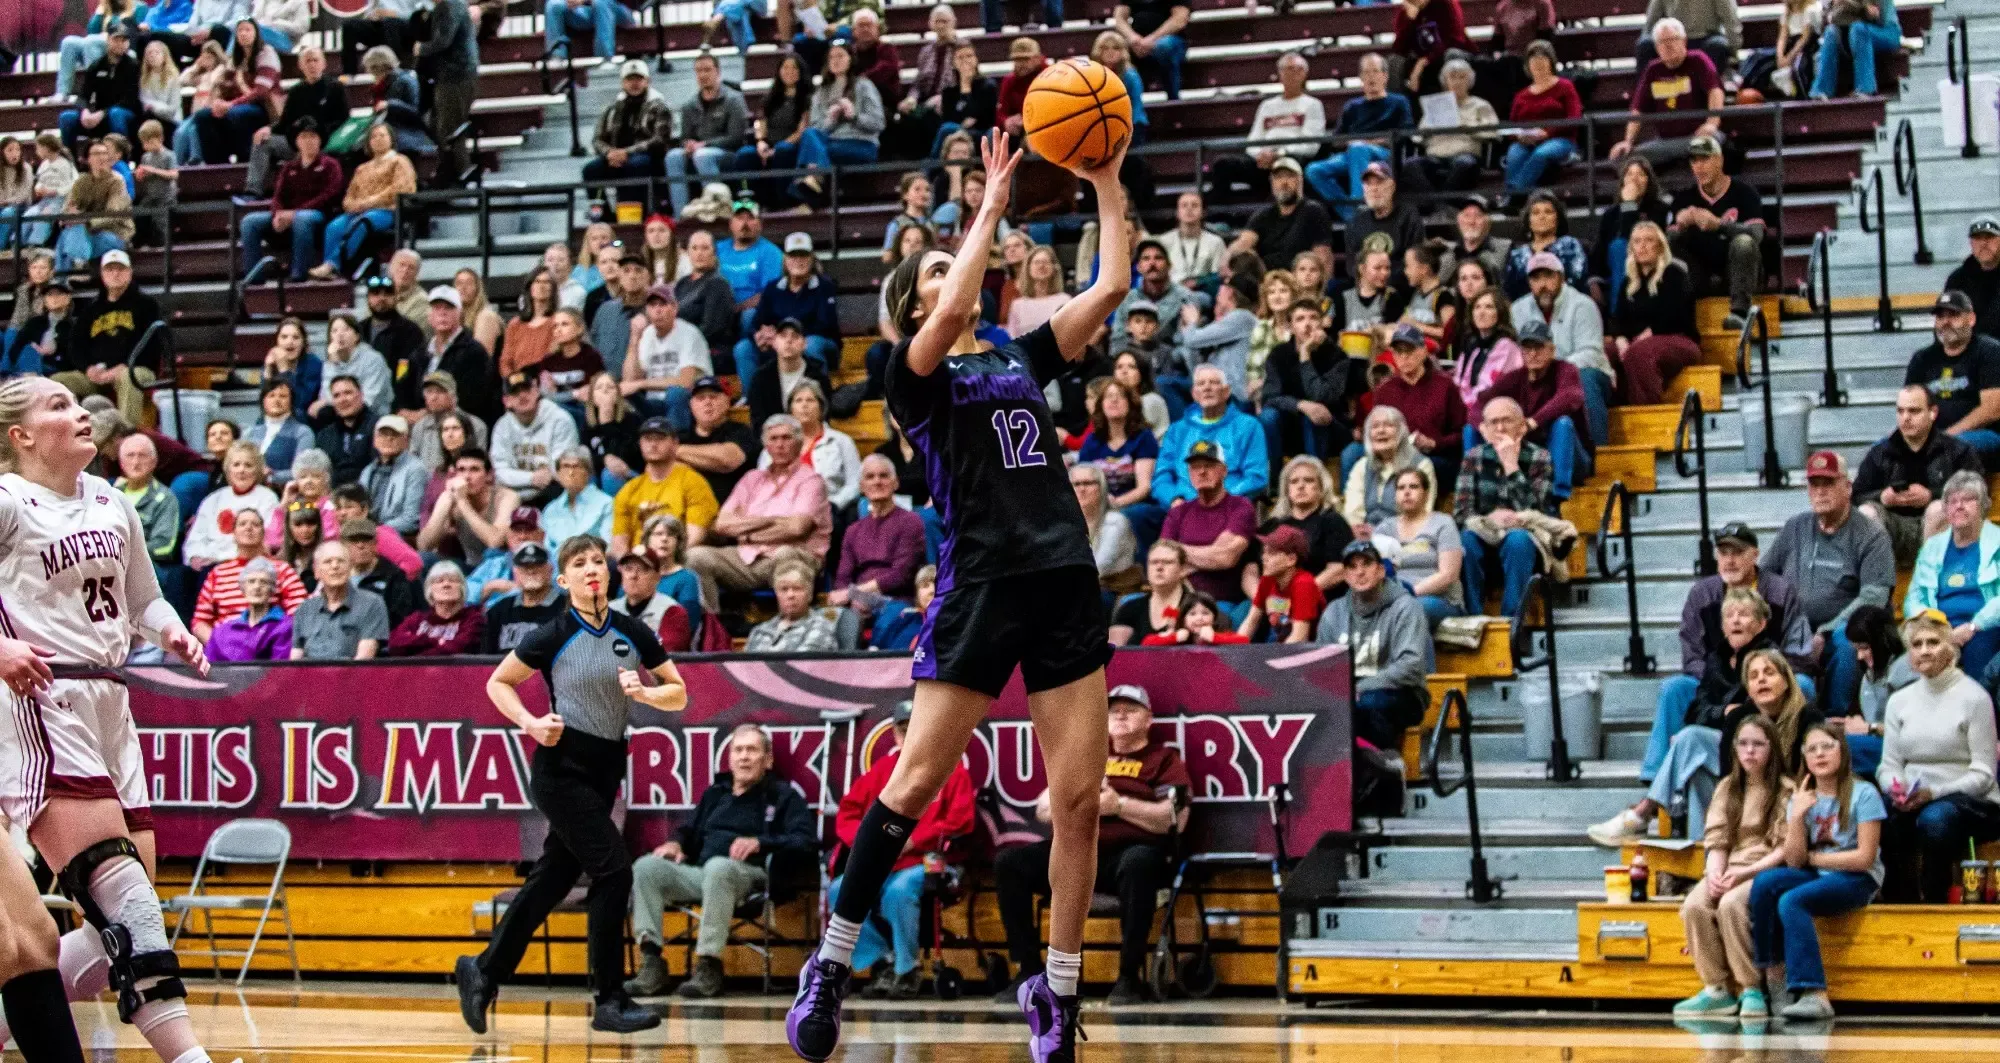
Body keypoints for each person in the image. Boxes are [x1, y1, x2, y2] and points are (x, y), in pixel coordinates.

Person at [787, 129, 1129, 1063]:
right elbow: (947, 311)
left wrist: (1104, 180)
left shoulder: (1018, 356)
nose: (958, 273)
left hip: (1063, 580)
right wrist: (982, 209)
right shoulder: (912, 375)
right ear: (915, 304)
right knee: (913, 782)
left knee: (1081, 801)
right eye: (937, 269)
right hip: (982, 586)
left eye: (958, 262)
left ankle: (1056, 996)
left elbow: (1108, 289)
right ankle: (834, 961)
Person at [0, 377, 249, 1063]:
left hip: (112, 700)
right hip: (43, 696)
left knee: (124, 903)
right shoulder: (8, 501)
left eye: (77, 401)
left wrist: (172, 632)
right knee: (127, 902)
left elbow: (146, 596)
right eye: (57, 405)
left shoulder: (111, 500)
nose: (79, 411)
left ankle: (9, 1020)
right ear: (20, 436)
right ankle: (188, 1056)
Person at [454, 534, 683, 1032]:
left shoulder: (632, 631)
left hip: (606, 767)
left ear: (609, 571)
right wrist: (532, 723)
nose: (591, 569)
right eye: (579, 564)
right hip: (561, 767)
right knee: (614, 870)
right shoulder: (553, 632)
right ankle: (609, 999)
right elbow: (498, 683)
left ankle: (483, 971)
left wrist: (645, 691)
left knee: (555, 877)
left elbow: (679, 694)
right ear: (564, 580)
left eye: (598, 560)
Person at [990, 684, 1187, 1009]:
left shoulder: (1164, 759)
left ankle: (1128, 978)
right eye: (1114, 709)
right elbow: (1042, 810)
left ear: (1149, 719)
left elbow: (1175, 819)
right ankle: (1028, 972)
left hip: (1128, 857)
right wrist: (1086, 802)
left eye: (1131, 709)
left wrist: (1119, 806)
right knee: (1010, 862)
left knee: (1140, 863)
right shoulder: (1086, 755)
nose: (1120, 714)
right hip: (1075, 853)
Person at [624, 722, 813, 1002]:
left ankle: (709, 965)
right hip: (704, 873)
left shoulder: (783, 795)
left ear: (768, 759)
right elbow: (688, 831)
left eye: (752, 750)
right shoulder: (716, 793)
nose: (744, 756)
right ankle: (652, 963)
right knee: (646, 867)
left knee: (719, 867)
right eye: (738, 750)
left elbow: (805, 840)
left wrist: (760, 842)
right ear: (730, 757)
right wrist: (675, 843)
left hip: (752, 876)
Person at [1749, 722, 1884, 1022]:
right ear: (1804, 757)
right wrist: (1796, 818)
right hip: (1818, 872)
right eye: (1812, 749)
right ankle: (1775, 980)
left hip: (1858, 879)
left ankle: (1815, 994)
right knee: (1765, 883)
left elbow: (1864, 858)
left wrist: (1815, 859)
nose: (1820, 754)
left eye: (1827, 746)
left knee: (1792, 900)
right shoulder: (1801, 798)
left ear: (1842, 751)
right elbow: (1796, 862)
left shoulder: (1864, 793)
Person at [1868, 610, 1999, 905]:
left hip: (1971, 801)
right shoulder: (1899, 701)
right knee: (1881, 812)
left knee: (1935, 818)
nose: (1924, 650)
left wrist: (1933, 793)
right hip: (1914, 796)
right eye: (1916, 644)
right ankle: (1899, 901)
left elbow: (1984, 774)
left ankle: (1934, 902)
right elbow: (1888, 765)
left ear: (1950, 647)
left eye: (1933, 642)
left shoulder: (1975, 698)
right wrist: (1896, 788)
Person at [1673, 714, 1794, 1019]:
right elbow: (1717, 839)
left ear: (1772, 749)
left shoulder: (1785, 789)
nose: (1750, 751)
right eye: (1743, 744)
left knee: (1731, 904)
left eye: (1758, 744)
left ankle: (1750, 987)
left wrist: (1742, 874)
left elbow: (1783, 849)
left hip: (1764, 867)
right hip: (1729, 865)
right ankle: (1716, 989)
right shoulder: (1727, 787)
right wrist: (1715, 873)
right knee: (1695, 905)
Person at [1764, 450, 1896, 717]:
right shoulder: (1795, 527)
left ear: (1847, 487)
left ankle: (1835, 718)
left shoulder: (1871, 535)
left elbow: (1874, 596)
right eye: (1815, 484)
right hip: (1795, 628)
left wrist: (1825, 631)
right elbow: (1764, 577)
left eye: (1829, 483)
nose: (1820, 492)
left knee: (1848, 640)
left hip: (1842, 631)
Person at [686, 414, 830, 611]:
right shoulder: (752, 479)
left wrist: (746, 531)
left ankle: (791, 627)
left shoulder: (811, 481)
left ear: (799, 442)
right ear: (766, 445)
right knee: (694, 557)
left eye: (786, 438)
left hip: (794, 556)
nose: (780, 444)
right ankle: (713, 628)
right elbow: (723, 524)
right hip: (747, 557)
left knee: (786, 553)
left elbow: (797, 529)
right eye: (774, 439)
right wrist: (773, 521)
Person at [1317, 540, 1434, 751]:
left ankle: (1384, 772)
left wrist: (1360, 688)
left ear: (1381, 570)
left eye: (1366, 564)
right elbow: (1322, 665)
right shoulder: (1334, 612)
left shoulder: (1406, 607)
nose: (1359, 572)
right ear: (1345, 576)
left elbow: (1410, 665)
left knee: (1369, 704)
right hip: (1350, 693)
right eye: (1352, 567)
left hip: (1403, 693)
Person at [1854, 384, 1982, 563]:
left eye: (1914, 411)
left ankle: (1933, 581)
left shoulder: (1957, 451)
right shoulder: (1880, 453)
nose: (1905, 418)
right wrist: (1882, 497)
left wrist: (1931, 495)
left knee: (1938, 509)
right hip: (1894, 530)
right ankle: (1878, 583)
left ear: (1933, 412)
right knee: (1866, 512)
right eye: (1900, 411)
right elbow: (1855, 496)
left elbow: (1977, 493)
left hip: (1944, 532)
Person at [1454, 397, 1557, 618]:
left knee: (1517, 540)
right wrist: (1490, 520)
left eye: (1507, 421)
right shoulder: (1474, 457)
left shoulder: (1540, 457)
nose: (1500, 428)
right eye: (1493, 422)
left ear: (1522, 426)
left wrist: (1511, 465)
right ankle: (1472, 617)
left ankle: (1513, 621)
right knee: (1466, 540)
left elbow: (1537, 511)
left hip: (1525, 542)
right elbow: (1462, 512)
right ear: (1485, 429)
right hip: (1484, 537)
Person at [1902, 472, 2000, 682]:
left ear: (1983, 505)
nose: (1959, 506)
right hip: (1938, 629)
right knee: (1910, 659)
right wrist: (1935, 626)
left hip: (1984, 627)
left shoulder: (1997, 543)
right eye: (1952, 501)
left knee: (1980, 647)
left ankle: (1980, 711)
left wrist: (1974, 626)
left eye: (1967, 500)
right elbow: (1914, 597)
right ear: (1945, 509)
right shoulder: (1933, 547)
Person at [1510, 252, 1612, 446]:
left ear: (1561, 278)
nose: (1542, 284)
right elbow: (1515, 352)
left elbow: (1590, 352)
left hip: (1586, 373)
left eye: (1548, 276)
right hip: (1538, 374)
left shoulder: (1582, 305)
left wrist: (1555, 369)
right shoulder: (1518, 309)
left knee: (1584, 378)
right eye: (1536, 278)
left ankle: (1600, 451)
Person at [1481, 319, 1590, 499]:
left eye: (1538, 347)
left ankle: (1556, 497)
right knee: (1473, 428)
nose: (1532, 354)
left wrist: (1533, 421)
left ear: (1551, 350)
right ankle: (1480, 487)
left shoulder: (1565, 370)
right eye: (1527, 349)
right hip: (1530, 457)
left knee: (1562, 423)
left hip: (1571, 459)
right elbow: (1481, 401)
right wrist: (1483, 426)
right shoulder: (1515, 377)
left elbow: (1571, 397)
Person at [54, 250, 159, 428]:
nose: (115, 274)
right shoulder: (92, 309)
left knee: (129, 378)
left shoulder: (146, 304)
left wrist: (124, 365)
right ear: (102, 274)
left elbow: (153, 344)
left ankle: (124, 437)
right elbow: (75, 345)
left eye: (120, 269)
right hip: (97, 373)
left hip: (135, 368)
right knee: (57, 382)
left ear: (130, 272)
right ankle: (71, 435)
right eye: (110, 269)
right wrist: (87, 368)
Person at [1358, 325, 1467, 496]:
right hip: (1392, 455)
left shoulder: (1445, 386)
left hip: (1435, 457)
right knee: (1352, 455)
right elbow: (1373, 428)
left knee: (1418, 468)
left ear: (1424, 352)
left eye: (1409, 350)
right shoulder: (1385, 390)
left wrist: (1435, 443)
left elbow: (1461, 433)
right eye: (1398, 352)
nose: (1404, 357)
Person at [1670, 136, 1765, 332]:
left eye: (1705, 159)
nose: (1699, 167)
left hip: (1739, 273)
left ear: (1720, 160)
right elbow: (1664, 244)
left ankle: (1739, 314)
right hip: (1700, 276)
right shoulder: (1684, 198)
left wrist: (1719, 225)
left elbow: (1756, 235)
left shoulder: (1745, 192)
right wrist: (1679, 226)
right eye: (1694, 161)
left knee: (1744, 242)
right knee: (1669, 250)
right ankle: (1680, 322)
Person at [1303, 55, 1412, 220]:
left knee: (1359, 149)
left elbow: (1406, 132)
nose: (1371, 77)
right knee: (1313, 170)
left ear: (1385, 76)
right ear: (1361, 78)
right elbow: (1337, 140)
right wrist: (1353, 144)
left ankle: (1360, 207)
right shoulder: (1352, 106)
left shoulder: (1398, 102)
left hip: (1383, 153)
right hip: (1352, 153)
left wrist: (1366, 143)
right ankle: (1351, 215)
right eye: (1366, 73)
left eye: (1375, 71)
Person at [1206, 53, 1325, 202]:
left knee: (1291, 164)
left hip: (1292, 159)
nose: (1292, 73)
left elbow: (1311, 146)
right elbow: (1252, 142)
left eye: (1298, 69)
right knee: (1222, 164)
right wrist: (1262, 155)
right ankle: (1220, 216)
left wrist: (1279, 153)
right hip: (1264, 161)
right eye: (1288, 69)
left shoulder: (1312, 105)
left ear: (1305, 74)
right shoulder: (1267, 106)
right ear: (1279, 74)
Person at [1611, 18, 1726, 170]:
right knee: (1622, 158)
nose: (1667, 46)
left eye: (1672, 39)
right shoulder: (1653, 69)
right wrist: (1628, 141)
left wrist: (1712, 124)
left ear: (1684, 41)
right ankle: (1658, 193)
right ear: (1656, 47)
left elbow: (1715, 91)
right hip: (1665, 142)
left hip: (1698, 136)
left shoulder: (1698, 60)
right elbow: (1638, 109)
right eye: (1661, 42)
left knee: (1707, 145)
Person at [1609, 220, 1702, 406]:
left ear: (1660, 246)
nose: (1642, 246)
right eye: (1637, 241)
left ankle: (1647, 416)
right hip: (1639, 342)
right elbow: (1617, 317)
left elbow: (1675, 315)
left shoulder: (1674, 273)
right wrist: (1620, 340)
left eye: (1648, 240)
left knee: (1639, 353)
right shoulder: (1630, 280)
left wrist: (1644, 337)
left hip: (1679, 340)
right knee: (1602, 353)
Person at [1159, 440, 1257, 615]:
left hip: (1223, 602)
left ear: (1224, 471)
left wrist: (1180, 552)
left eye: (1209, 465)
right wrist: (1211, 552)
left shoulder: (1240, 507)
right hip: (1181, 600)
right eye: (1195, 467)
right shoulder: (1178, 512)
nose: (1202, 472)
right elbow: (1163, 558)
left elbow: (1225, 557)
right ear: (1189, 474)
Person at [1906, 290, 2000, 467]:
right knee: (1882, 449)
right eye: (1940, 317)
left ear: (1971, 319)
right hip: (1934, 436)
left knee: (1954, 447)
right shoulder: (1922, 359)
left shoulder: (1990, 352)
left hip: (1984, 434)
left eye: (1953, 315)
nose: (1945, 322)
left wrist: (1948, 435)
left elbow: (1993, 409)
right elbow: (1909, 406)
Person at [788, 41, 886, 207]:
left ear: (850, 59)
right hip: (829, 144)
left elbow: (878, 123)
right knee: (809, 134)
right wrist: (831, 120)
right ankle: (816, 179)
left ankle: (809, 185)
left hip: (860, 144)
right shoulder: (821, 92)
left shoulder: (864, 85)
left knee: (811, 150)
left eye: (840, 56)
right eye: (831, 57)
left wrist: (854, 115)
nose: (835, 60)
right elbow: (817, 128)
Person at [1154, 365, 1269, 505]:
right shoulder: (1177, 430)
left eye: (1214, 383)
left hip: (1228, 506)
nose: (1207, 388)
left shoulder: (1248, 426)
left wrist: (1217, 500)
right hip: (1181, 507)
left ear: (1226, 392)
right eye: (1201, 384)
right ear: (1194, 394)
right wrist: (1173, 499)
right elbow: (1161, 476)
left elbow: (1255, 477)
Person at [610, 417, 720, 558]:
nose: (653, 444)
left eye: (660, 439)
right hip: (638, 563)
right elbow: (619, 543)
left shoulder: (693, 482)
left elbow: (695, 536)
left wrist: (663, 562)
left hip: (677, 559)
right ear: (640, 444)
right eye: (648, 439)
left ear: (675, 444)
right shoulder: (628, 490)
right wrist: (631, 566)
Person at [833, 454, 926, 612]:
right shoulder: (853, 530)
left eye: (884, 476)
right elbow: (843, 578)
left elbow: (901, 575)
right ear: (862, 486)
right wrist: (847, 594)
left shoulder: (911, 522)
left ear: (895, 483)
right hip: (857, 600)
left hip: (896, 601)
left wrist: (854, 592)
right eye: (870, 477)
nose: (877, 481)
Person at [1589, 156, 1675, 311]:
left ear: (1649, 181)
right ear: (1622, 182)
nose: (1634, 179)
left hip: (1651, 265)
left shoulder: (1660, 209)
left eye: (1641, 174)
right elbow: (1599, 249)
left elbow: (1637, 242)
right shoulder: (1611, 213)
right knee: (1616, 248)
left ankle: (1619, 315)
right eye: (1629, 174)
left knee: (1620, 246)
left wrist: (1629, 205)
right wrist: (1593, 280)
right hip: (1615, 269)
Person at [1501, 41, 1582, 199]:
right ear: (1528, 66)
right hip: (1527, 141)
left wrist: (1546, 133)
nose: (1538, 66)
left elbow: (1574, 118)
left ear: (1551, 62)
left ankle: (1514, 195)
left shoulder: (1565, 87)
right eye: (1534, 62)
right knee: (1514, 153)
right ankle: (1515, 195)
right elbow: (1513, 125)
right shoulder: (1521, 95)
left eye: (1542, 61)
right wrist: (1519, 136)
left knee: (1541, 154)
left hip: (1560, 139)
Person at [1404, 59, 1494, 196]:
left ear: (1469, 81)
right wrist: (1429, 129)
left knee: (1464, 163)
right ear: (1445, 81)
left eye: (1462, 77)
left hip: (1465, 154)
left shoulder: (1480, 105)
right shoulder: (1435, 105)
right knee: (1411, 164)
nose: (1457, 82)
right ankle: (1437, 203)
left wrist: (1466, 127)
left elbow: (1493, 133)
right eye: (1452, 77)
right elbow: (1417, 138)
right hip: (1435, 156)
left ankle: (1440, 204)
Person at [418, 448, 521, 567]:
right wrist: (446, 503)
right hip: (470, 567)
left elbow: (495, 542)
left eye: (474, 470)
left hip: (500, 566)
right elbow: (424, 546)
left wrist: (462, 501)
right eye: (461, 470)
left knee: (493, 554)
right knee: (424, 559)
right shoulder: (451, 497)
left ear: (488, 476)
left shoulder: (507, 497)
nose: (467, 476)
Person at [1344, 405, 1437, 537]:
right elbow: (1353, 512)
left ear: (1401, 432)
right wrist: (1357, 531)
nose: (1381, 431)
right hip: (1364, 539)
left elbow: (1422, 514)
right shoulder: (1362, 466)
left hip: (1404, 537)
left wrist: (1380, 534)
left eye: (1388, 425)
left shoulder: (1421, 465)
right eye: (1375, 426)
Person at [184, 441, 279, 570]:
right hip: (210, 563)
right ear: (228, 469)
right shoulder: (213, 499)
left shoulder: (267, 498)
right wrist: (195, 557)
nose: (241, 470)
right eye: (236, 465)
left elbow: (266, 540)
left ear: (257, 470)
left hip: (249, 563)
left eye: (248, 465)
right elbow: (196, 538)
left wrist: (229, 558)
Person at [584, 61, 672, 199]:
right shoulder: (612, 108)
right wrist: (609, 153)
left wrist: (626, 152)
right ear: (623, 83)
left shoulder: (660, 107)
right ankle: (603, 216)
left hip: (649, 158)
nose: (634, 83)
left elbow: (659, 141)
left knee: (635, 165)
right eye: (630, 79)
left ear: (647, 81)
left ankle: (635, 214)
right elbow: (597, 139)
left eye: (639, 79)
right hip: (616, 156)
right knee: (590, 170)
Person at [1230, 158, 1335, 273]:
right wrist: (1228, 259)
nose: (1284, 182)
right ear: (1272, 182)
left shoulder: (1314, 211)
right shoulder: (1263, 215)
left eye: (1290, 176)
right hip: (1269, 283)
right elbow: (1244, 242)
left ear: (1300, 181)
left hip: (1300, 282)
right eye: (1278, 177)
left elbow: (1323, 255)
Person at [289, 540, 390, 660]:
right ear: (316, 572)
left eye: (341, 561)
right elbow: (295, 661)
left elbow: (363, 660)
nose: (335, 566)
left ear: (350, 568)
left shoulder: (372, 604)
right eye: (328, 562)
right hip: (309, 677)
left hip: (352, 677)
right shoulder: (304, 609)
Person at [59, 25, 140, 157]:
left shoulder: (133, 66)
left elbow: (130, 100)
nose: (120, 44)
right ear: (108, 40)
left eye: (124, 40)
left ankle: (122, 159)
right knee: (66, 118)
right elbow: (83, 96)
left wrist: (103, 113)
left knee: (116, 114)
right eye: (116, 39)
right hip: (99, 115)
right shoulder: (96, 66)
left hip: (125, 114)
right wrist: (84, 111)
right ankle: (70, 162)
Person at [1239, 524, 1320, 643]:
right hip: (1281, 645)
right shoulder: (1267, 580)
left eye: (1271, 553)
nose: (1263, 558)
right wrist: (1233, 653)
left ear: (1291, 559)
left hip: (1312, 651)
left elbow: (1299, 637)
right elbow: (1251, 621)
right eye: (1264, 552)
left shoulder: (1304, 584)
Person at [202, 557, 294, 662]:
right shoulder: (221, 632)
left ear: (272, 589)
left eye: (263, 582)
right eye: (251, 581)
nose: (257, 587)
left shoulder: (285, 627)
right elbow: (208, 669)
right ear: (243, 588)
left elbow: (279, 671)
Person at [1811, 0, 1900, 99]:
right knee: (1831, 31)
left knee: (1859, 29)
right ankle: (1821, 90)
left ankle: (1865, 89)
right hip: (1854, 33)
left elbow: (1874, 15)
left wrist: (1850, 5)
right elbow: (1833, 18)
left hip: (1886, 32)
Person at [746, 562, 841, 652]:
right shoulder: (759, 631)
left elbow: (802, 666)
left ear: (809, 594)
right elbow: (744, 668)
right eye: (784, 589)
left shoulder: (821, 627)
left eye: (797, 588)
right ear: (777, 594)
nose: (790, 595)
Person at [543, 445, 615, 549]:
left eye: (576, 467)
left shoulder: (606, 503)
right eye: (565, 467)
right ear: (558, 473)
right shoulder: (550, 510)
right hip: (557, 563)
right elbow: (547, 550)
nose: (571, 473)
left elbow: (609, 546)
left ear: (588, 472)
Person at [313, 376, 378, 486]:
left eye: (348, 393)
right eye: (336, 395)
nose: (343, 400)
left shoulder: (378, 427)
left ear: (361, 395)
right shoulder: (324, 435)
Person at [1947, 216, 2000, 340]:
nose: (1983, 243)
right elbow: (1946, 320)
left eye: (1989, 237)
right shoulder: (1958, 279)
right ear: (1971, 243)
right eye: (1977, 238)